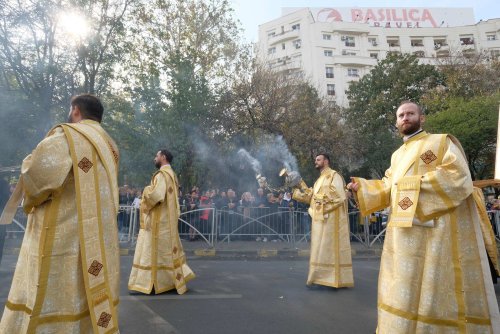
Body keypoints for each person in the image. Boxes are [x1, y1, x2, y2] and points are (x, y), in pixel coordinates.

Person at [347, 101, 500, 333]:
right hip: (403, 234)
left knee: (434, 287)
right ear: (397, 122)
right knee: (404, 286)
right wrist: (362, 189)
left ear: (422, 118)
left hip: (436, 231)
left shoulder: (440, 142)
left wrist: (408, 188)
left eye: (410, 113)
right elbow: (389, 186)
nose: (405, 118)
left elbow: (457, 176)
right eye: (401, 115)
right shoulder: (397, 155)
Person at [0, 94, 120, 333]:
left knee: (57, 289)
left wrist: (27, 166)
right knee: (84, 291)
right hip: (96, 239)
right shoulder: (110, 145)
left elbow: (38, 173)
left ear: (76, 110)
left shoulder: (68, 135)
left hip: (62, 235)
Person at [128, 149, 195, 295]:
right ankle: (169, 281)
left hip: (158, 222)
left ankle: (152, 283)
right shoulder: (172, 175)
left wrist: (146, 191)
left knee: (153, 251)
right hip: (168, 221)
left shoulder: (162, 175)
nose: (155, 159)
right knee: (166, 252)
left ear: (163, 157)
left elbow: (156, 195)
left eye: (156, 156)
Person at [292, 153, 354, 288]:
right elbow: (311, 197)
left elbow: (339, 196)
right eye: (315, 160)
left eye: (318, 159)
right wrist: (297, 187)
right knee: (319, 250)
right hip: (320, 221)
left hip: (332, 220)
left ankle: (332, 280)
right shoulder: (319, 179)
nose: (316, 161)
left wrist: (320, 204)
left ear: (326, 161)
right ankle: (320, 278)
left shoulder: (334, 175)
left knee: (329, 249)